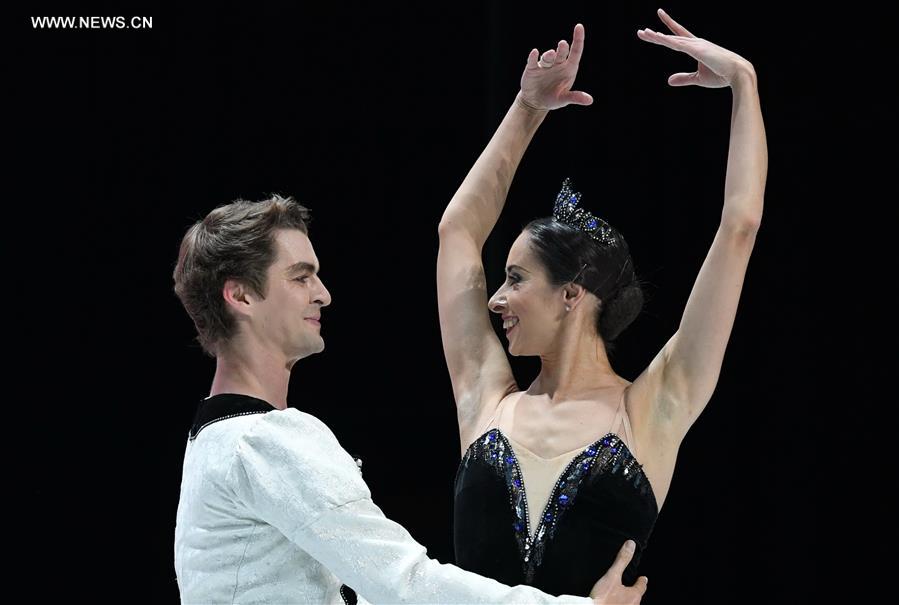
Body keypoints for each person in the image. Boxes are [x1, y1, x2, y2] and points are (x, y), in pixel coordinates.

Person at [172, 196, 649, 603]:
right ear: (241, 296)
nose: (324, 294)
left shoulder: (213, 439)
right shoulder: (265, 440)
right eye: (301, 277)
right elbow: (404, 585)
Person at [438, 10, 766, 596]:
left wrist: (744, 82)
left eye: (515, 278)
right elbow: (458, 231)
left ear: (570, 293)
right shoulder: (483, 393)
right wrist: (528, 107)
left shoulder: (654, 407)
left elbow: (738, 228)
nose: (494, 298)